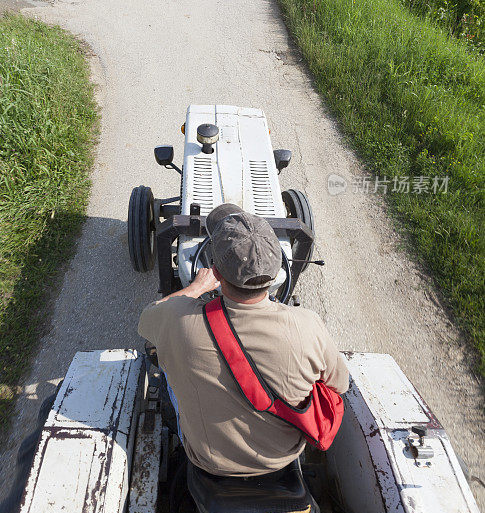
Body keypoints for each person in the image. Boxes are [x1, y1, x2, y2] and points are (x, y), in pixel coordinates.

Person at [138, 204, 349, 477]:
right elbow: (339, 384)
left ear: (216, 270)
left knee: (167, 360)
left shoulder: (176, 321)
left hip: (207, 459)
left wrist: (196, 288)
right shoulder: (308, 324)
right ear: (275, 271)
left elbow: (146, 320)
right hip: (282, 457)